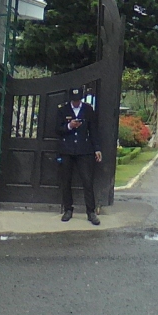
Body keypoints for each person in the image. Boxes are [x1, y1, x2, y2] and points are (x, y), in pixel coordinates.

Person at [56, 87, 102, 224]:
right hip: (67, 149)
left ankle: (90, 212)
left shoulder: (88, 110)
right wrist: (69, 126)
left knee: (87, 181)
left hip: (84, 149)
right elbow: (57, 129)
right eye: (74, 100)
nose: (76, 102)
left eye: (78, 100)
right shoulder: (63, 110)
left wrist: (97, 148)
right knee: (66, 181)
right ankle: (68, 209)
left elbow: (93, 130)